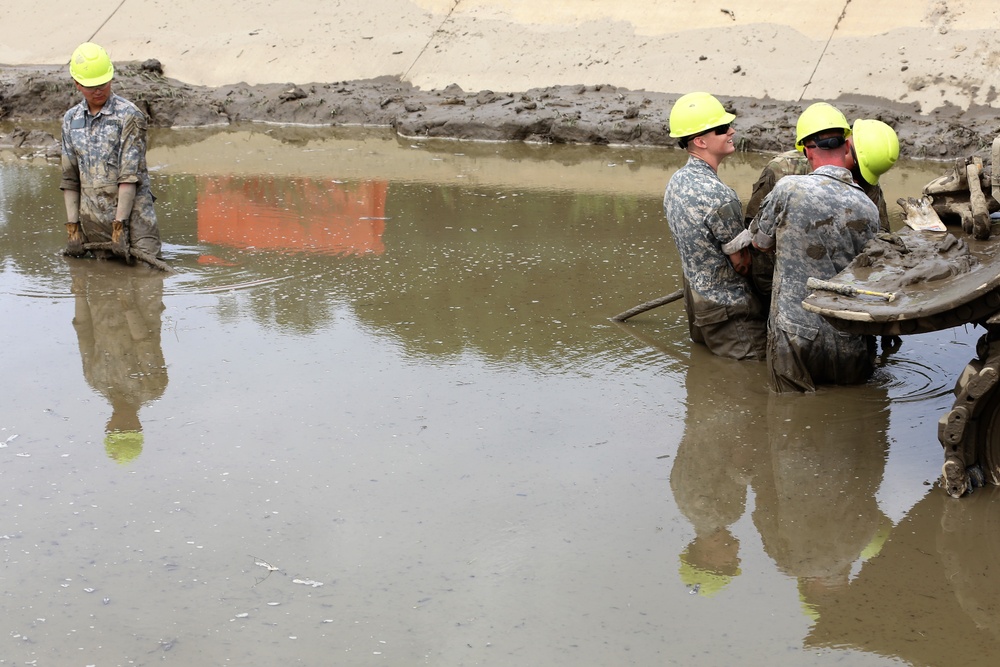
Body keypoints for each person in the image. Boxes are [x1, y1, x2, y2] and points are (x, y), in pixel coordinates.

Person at [748, 114, 881, 392]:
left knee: (786, 417)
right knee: (848, 417)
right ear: (847, 148)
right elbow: (871, 269)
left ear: (807, 151)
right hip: (847, 335)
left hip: (794, 332)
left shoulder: (788, 188)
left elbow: (759, 242)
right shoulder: (869, 207)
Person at [663, 92, 767, 360]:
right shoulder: (719, 195)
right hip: (729, 311)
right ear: (699, 141)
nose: (731, 131)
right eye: (722, 129)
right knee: (749, 380)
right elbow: (742, 263)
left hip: (697, 305)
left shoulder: (676, 182)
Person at [60, 42, 161, 262]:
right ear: (77, 84)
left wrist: (119, 226)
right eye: (91, 85)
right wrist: (73, 227)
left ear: (111, 78)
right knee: (101, 281)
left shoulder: (129, 115)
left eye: (103, 83)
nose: (98, 90)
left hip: (134, 218)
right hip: (93, 218)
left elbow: (129, 175)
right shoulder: (70, 120)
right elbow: (70, 178)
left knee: (148, 279)